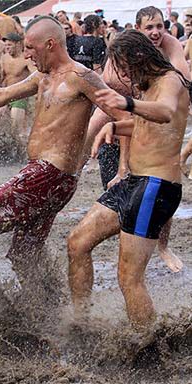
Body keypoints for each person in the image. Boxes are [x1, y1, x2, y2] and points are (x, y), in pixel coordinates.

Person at [0, 16, 117, 294]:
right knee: (23, 255)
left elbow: (120, 109)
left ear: (50, 44)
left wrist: (119, 157)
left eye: (30, 47)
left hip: (47, 174)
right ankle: (51, 313)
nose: (26, 53)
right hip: (50, 178)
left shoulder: (81, 77)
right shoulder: (42, 76)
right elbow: (1, 95)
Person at [69, 30, 190, 328]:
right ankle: (81, 322)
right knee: (77, 242)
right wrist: (113, 128)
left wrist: (126, 103)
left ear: (139, 57)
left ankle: (149, 347)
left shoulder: (171, 81)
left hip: (157, 186)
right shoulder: (146, 88)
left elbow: (164, 114)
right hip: (133, 182)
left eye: (123, 66)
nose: (122, 74)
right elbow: (146, 126)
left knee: (128, 277)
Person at [86, 6, 190, 273]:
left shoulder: (169, 55)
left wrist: (131, 102)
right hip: (126, 112)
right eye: (149, 28)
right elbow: (114, 102)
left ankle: (162, 246)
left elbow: (172, 100)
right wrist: (115, 126)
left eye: (159, 26)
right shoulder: (122, 56)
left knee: (130, 271)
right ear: (138, 30)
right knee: (99, 127)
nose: (156, 32)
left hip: (151, 135)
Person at [0, 33, 34, 139]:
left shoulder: (26, 59)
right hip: (5, 95)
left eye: (9, 45)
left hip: (20, 96)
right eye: (5, 45)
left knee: (16, 130)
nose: (7, 48)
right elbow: (2, 78)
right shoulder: (4, 58)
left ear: (18, 44)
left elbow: (36, 76)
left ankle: (20, 153)